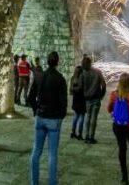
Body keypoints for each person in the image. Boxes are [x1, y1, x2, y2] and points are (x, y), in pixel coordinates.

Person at [27, 51, 67, 185]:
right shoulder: (60, 79)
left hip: (40, 117)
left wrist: (36, 110)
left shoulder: (40, 76)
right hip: (54, 120)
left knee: (36, 151)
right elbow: (63, 103)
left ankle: (34, 182)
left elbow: (30, 97)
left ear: (47, 61)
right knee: (52, 154)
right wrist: (60, 116)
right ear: (57, 62)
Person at [81, 55, 106, 144]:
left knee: (88, 117)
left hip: (87, 98)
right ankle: (91, 137)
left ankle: (86, 136)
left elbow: (80, 86)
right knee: (94, 118)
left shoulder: (83, 73)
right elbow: (103, 85)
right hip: (96, 98)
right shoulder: (98, 72)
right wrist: (102, 95)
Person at [70, 65, 86, 139]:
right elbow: (82, 88)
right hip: (82, 99)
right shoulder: (82, 79)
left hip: (75, 99)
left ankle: (73, 132)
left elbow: (71, 90)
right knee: (82, 116)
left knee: (76, 116)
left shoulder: (73, 78)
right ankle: (79, 134)